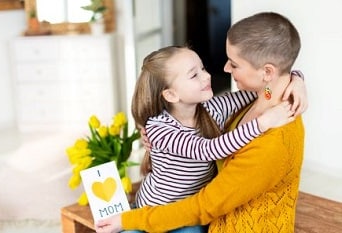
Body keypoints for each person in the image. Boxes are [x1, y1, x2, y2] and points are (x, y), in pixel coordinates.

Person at [96, 11, 306, 233]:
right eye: (194, 75)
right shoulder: (162, 127)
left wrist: (295, 81)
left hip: (201, 213)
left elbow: (204, 204)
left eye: (233, 64)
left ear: (266, 72)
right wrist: (292, 84)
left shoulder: (237, 119)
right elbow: (211, 148)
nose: (221, 70)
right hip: (155, 207)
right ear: (171, 95)